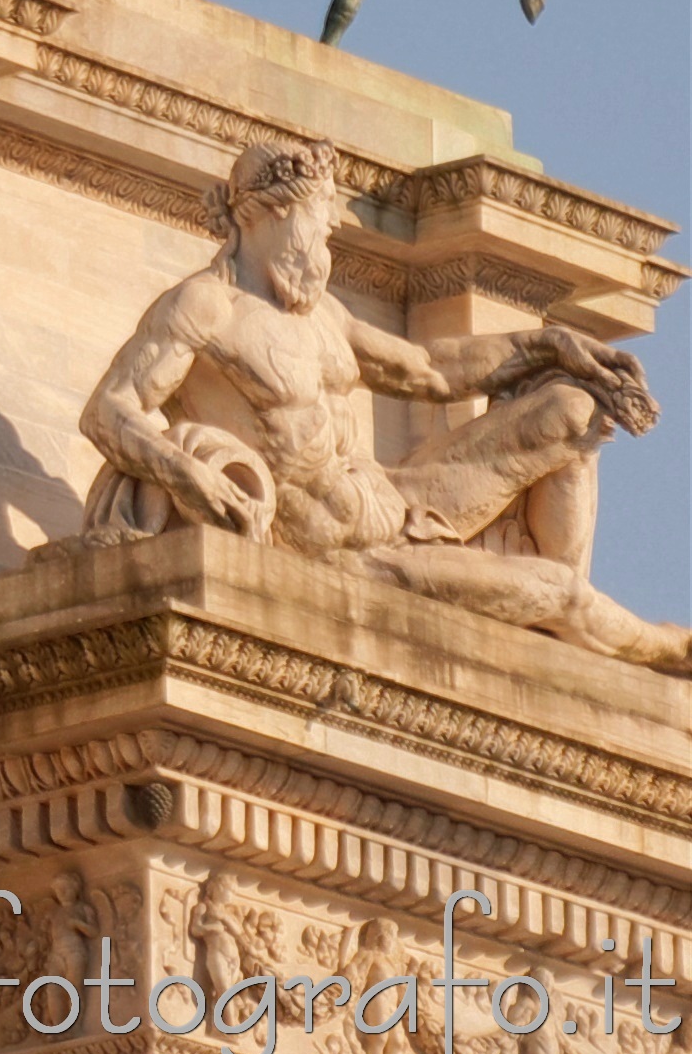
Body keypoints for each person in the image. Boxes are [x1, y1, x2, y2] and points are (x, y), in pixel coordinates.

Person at [79, 137, 682, 666]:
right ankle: (666, 649)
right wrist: (187, 475)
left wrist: (549, 342)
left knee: (572, 410)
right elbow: (110, 408)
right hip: (349, 554)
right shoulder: (204, 307)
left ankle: (548, 642)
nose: (329, 236)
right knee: (559, 591)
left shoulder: (324, 317)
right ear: (273, 213)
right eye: (320, 221)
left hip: (398, 498)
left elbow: (428, 370)